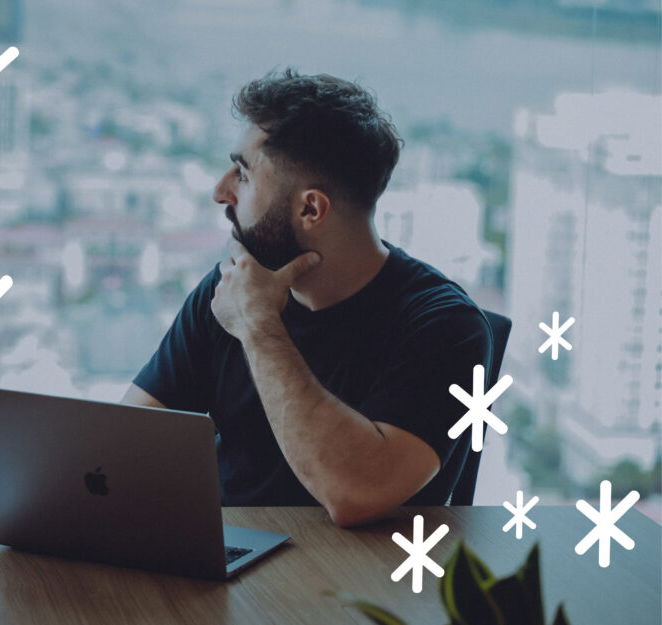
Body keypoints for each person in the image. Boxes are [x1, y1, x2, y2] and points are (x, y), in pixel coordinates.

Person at [122, 69, 493, 527]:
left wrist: (259, 326)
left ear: (310, 209)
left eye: (242, 174)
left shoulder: (445, 327)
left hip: (358, 589)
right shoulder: (229, 291)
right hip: (227, 568)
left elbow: (355, 493)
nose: (220, 191)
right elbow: (124, 448)